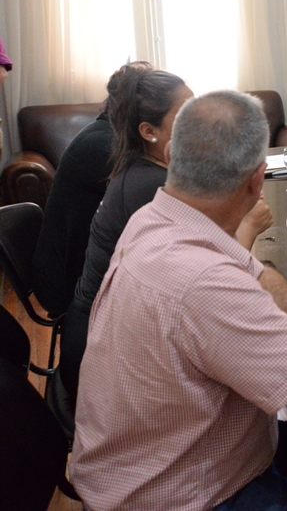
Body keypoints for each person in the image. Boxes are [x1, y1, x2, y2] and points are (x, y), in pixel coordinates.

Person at [69, 90, 287, 510]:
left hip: (144, 461)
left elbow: (252, 271)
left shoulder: (152, 220)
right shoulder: (204, 282)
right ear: (257, 181)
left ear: (171, 154)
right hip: (179, 495)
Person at [58, 67, 196, 402]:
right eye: (186, 115)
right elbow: (202, 273)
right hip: (101, 356)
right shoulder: (152, 186)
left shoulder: (143, 167)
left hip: (103, 332)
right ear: (149, 131)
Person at [32, 62, 152, 316]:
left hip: (80, 268)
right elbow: (157, 191)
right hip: (69, 284)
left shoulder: (108, 134)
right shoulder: (103, 144)